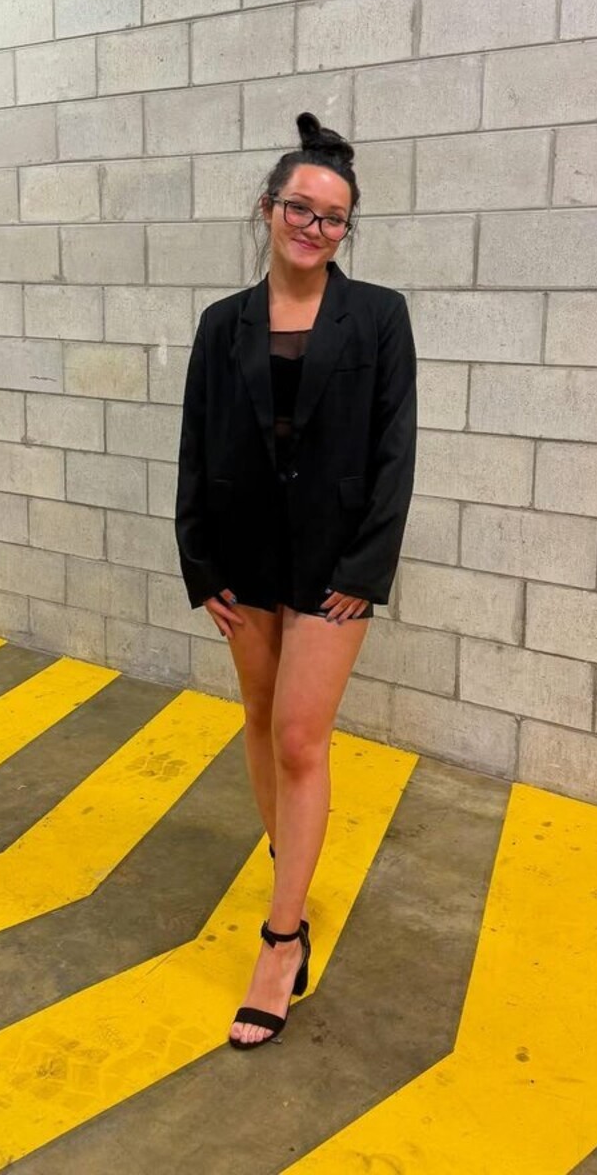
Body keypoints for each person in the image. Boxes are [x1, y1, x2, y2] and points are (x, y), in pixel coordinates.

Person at [175, 111, 418, 1051]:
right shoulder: (221, 324)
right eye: (300, 209)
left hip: (333, 562)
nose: (315, 228)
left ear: (347, 229)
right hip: (242, 559)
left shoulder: (379, 316)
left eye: (333, 217)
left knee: (299, 736)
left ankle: (282, 942)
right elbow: (196, 449)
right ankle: (294, 868)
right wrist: (200, 562)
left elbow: (395, 450)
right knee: (257, 718)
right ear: (268, 208)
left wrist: (367, 566)